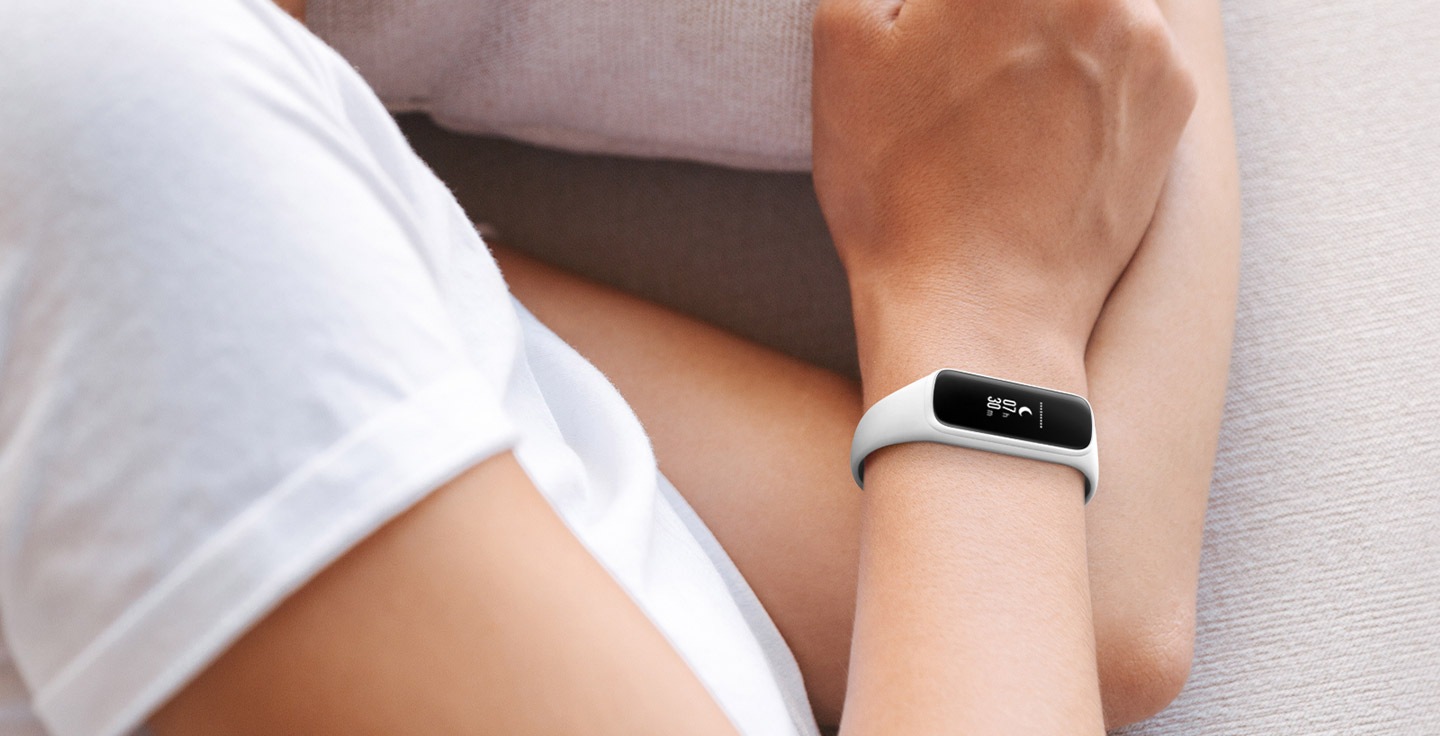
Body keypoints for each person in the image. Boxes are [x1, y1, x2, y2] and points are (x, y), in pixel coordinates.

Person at [0, 0, 1238, 733]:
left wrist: (988, 287)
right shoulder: (109, 124)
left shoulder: (182, 141)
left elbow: (1084, 599)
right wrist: (975, 297)